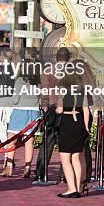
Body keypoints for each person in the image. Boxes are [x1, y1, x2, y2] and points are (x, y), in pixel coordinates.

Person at [35, 47, 70, 182]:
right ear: (68, 57)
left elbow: (44, 90)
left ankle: (40, 172)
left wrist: (44, 107)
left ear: (57, 57)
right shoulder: (72, 70)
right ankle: (64, 174)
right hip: (66, 107)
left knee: (48, 141)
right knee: (65, 143)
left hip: (52, 107)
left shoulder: (48, 70)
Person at [3, 55, 41, 178]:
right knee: (29, 143)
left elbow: (15, 99)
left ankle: (8, 167)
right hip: (34, 112)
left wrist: (6, 103)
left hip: (20, 111)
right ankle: (27, 168)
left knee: (11, 140)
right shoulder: (38, 81)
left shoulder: (19, 81)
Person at [56, 63, 90, 198]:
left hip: (67, 122)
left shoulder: (62, 88)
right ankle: (77, 187)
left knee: (65, 158)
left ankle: (71, 188)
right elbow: (86, 109)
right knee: (76, 157)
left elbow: (60, 109)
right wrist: (86, 126)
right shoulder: (82, 89)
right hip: (80, 122)